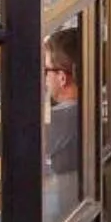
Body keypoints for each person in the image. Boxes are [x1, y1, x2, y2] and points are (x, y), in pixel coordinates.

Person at [43, 31, 82, 181]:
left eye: (47, 70)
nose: (45, 77)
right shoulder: (93, 111)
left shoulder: (57, 121)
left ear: (62, 78)